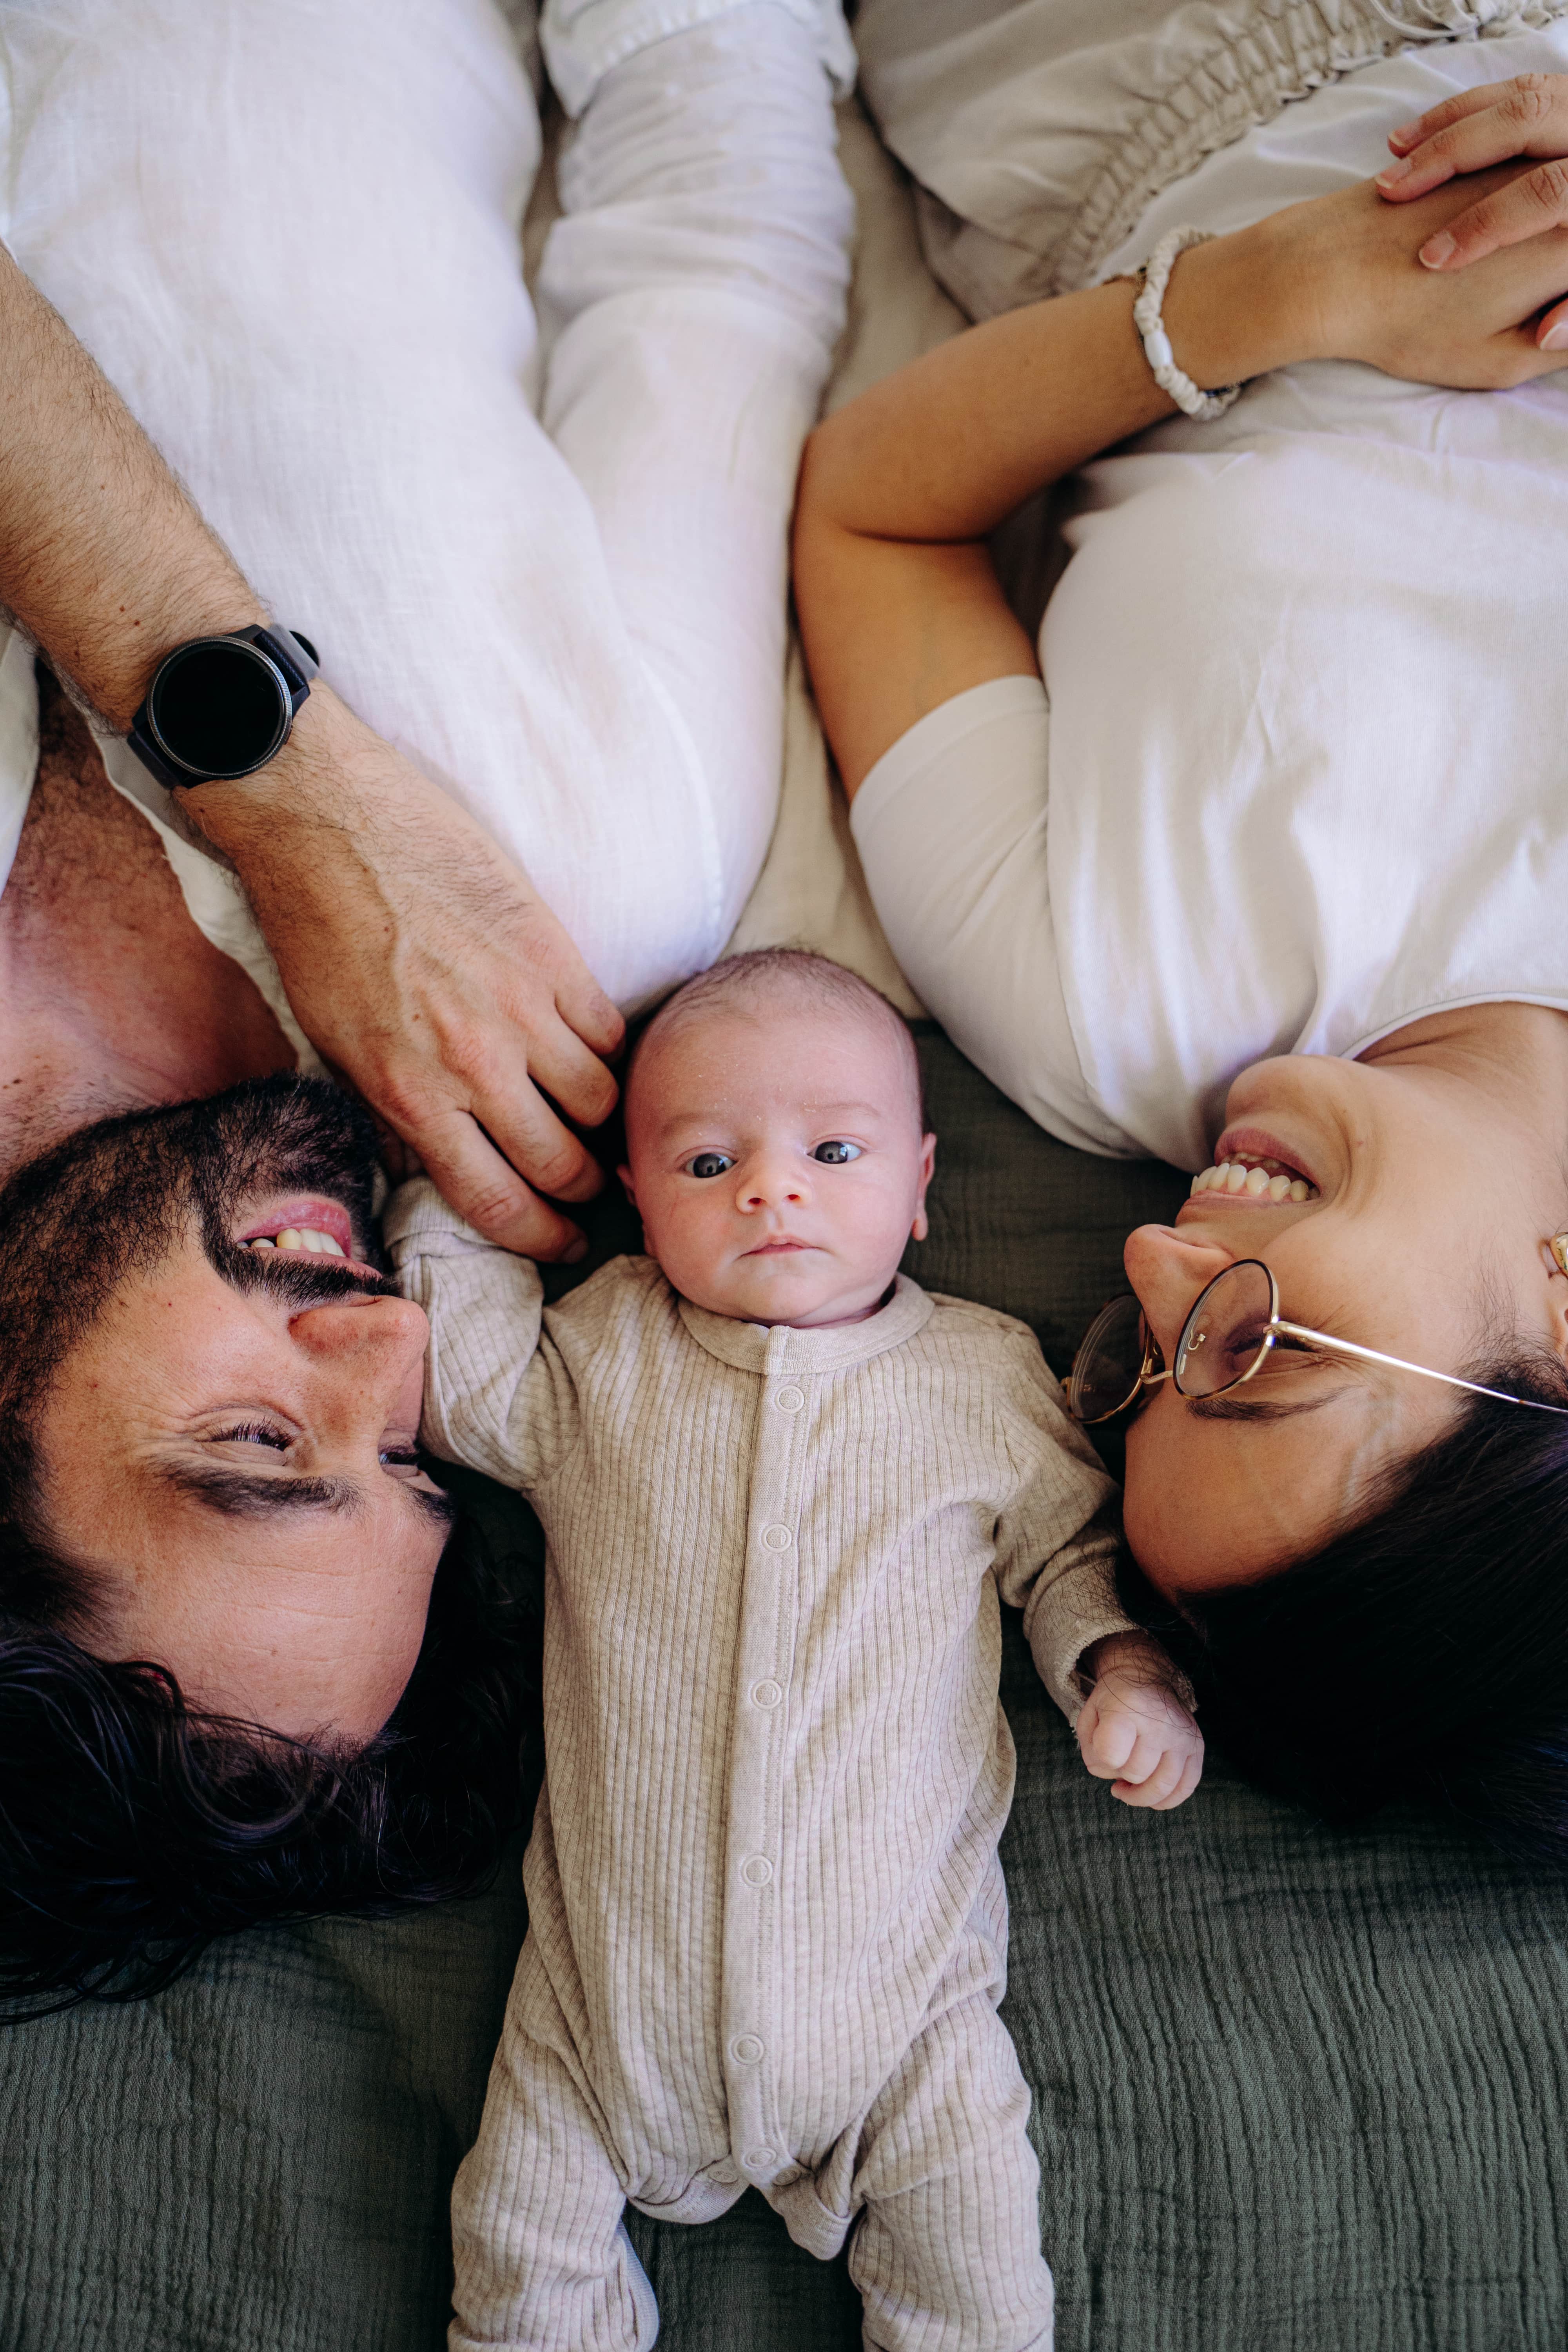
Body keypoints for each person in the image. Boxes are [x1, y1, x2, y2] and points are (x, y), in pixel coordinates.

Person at [0, 0, 859, 2004]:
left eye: (252, 1448)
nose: (388, 1347)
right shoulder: (579, 917)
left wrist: (290, 794)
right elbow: (711, 206)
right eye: (403, 1464)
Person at [793, 31, 1568, 1856]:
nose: (1149, 1264)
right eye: (1257, 1348)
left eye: (1130, 1370)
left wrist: (1255, 299)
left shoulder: (1102, 1020)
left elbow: (871, 512)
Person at [387, 949, 1203, 2352]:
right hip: (602, 2017)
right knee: (517, 2255)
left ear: (923, 1181)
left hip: (899, 2021)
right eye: (708, 1162)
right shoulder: (604, 1356)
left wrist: (1122, 1670)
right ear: (635, 1199)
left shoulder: (982, 1377)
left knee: (977, 2271)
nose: (772, 1187)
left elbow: (1072, 1555)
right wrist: (446, 1184)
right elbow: (468, 1390)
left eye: (833, 1149)